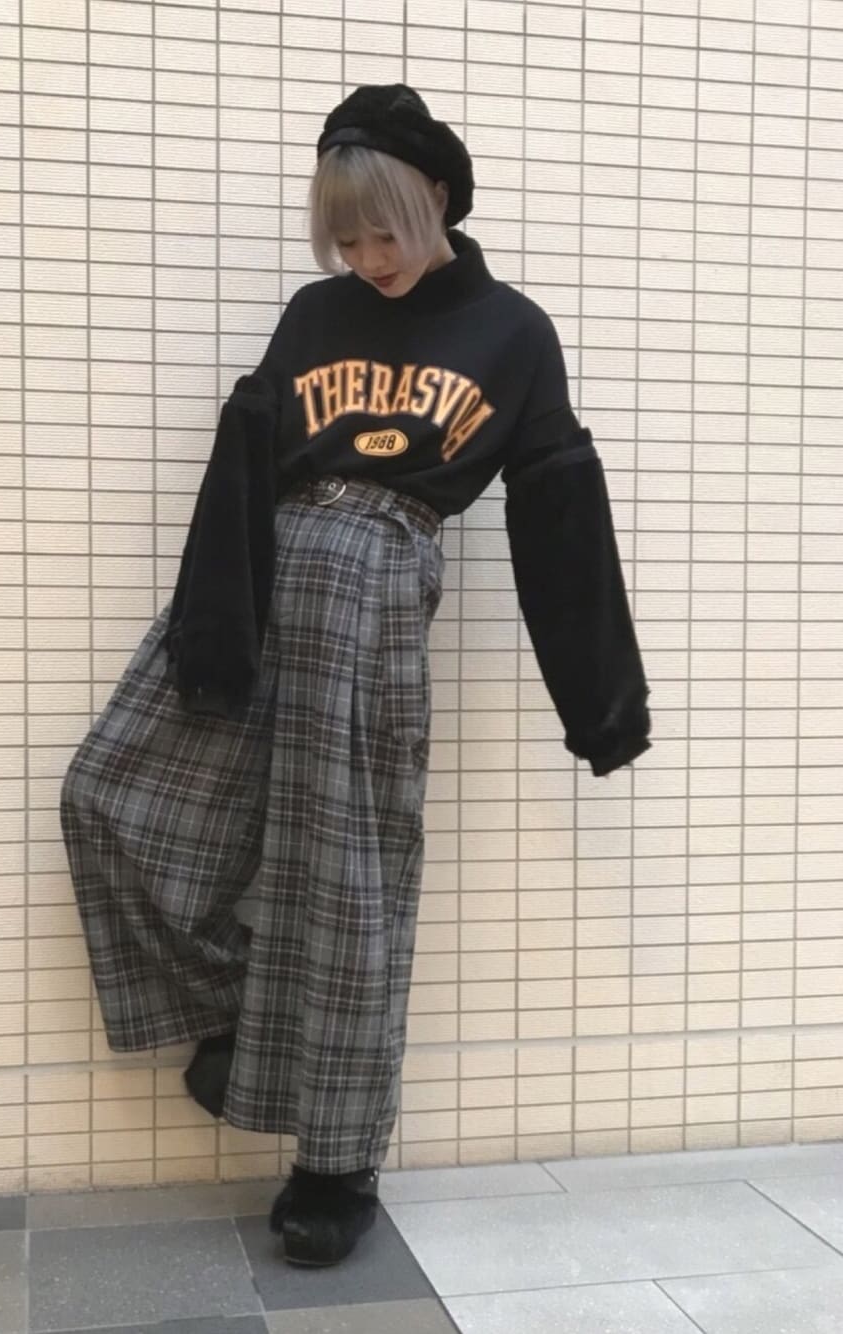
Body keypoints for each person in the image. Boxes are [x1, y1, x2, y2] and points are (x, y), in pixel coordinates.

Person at [59, 83, 651, 1268]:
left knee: (345, 871)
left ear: (436, 198)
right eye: (347, 238)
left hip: (378, 585)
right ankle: (238, 1014)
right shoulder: (315, 312)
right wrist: (211, 621)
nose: (369, 259)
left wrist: (601, 705)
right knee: (105, 793)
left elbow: (559, 517)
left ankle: (335, 1163)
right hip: (260, 570)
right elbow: (243, 466)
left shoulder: (511, 332)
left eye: (386, 231)